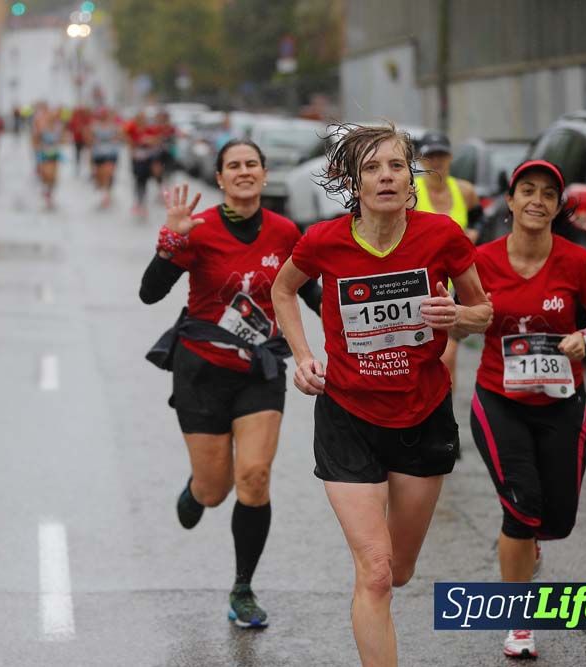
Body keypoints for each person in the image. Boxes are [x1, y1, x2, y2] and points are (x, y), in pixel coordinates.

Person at [271, 123, 493, 666]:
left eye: (396, 166)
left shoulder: (442, 235)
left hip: (422, 414)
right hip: (348, 416)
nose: (386, 177)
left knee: (399, 569)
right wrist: (302, 355)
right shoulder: (323, 241)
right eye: (372, 168)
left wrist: (457, 315)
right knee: (374, 571)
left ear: (410, 178)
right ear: (353, 182)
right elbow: (282, 288)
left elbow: (483, 312)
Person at [139, 140, 322, 629]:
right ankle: (197, 490)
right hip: (201, 370)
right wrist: (170, 244)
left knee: (255, 477)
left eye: (252, 164)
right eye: (234, 166)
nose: (244, 171)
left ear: (264, 173)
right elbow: (149, 293)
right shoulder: (198, 229)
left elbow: (309, 291)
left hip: (259, 371)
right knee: (215, 490)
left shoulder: (285, 232)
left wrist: (353, 322)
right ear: (220, 178)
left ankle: (243, 588)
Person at [467, 159, 586, 660]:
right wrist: (469, 316)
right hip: (499, 399)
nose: (537, 200)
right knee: (521, 506)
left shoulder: (576, 260)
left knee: (558, 519)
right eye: (527, 190)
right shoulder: (481, 261)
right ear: (509, 202)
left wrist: (585, 337)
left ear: (557, 207)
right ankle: (519, 621)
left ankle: (530, 540)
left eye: (548, 194)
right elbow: (456, 321)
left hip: (562, 403)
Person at [414, 132, 483, 410]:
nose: (437, 162)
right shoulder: (411, 190)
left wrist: (473, 233)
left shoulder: (464, 191)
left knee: (447, 355)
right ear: (421, 159)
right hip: (421, 284)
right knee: (420, 356)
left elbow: (479, 218)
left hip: (455, 284)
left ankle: (444, 415)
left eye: (441, 155)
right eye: (431, 156)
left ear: (450, 157)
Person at [124, 112, 158, 218]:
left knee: (144, 181)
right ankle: (138, 202)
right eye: (139, 119)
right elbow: (127, 140)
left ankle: (143, 203)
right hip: (136, 158)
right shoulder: (132, 129)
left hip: (147, 158)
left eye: (143, 119)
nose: (141, 121)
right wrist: (133, 146)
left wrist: (148, 140)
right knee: (138, 180)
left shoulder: (149, 129)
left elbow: (155, 141)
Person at [87, 107, 121, 209]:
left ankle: (106, 194)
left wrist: (115, 138)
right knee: (101, 175)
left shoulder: (113, 125)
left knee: (108, 172)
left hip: (111, 153)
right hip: (98, 154)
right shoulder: (94, 126)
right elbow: (90, 139)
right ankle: (104, 190)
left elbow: (119, 136)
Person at [32, 104, 63, 210]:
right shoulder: (42, 128)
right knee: (46, 174)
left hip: (54, 154)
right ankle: (47, 193)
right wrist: (37, 150)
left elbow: (62, 139)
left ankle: (49, 194)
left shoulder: (58, 128)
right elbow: (35, 140)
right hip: (44, 153)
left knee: (54, 177)